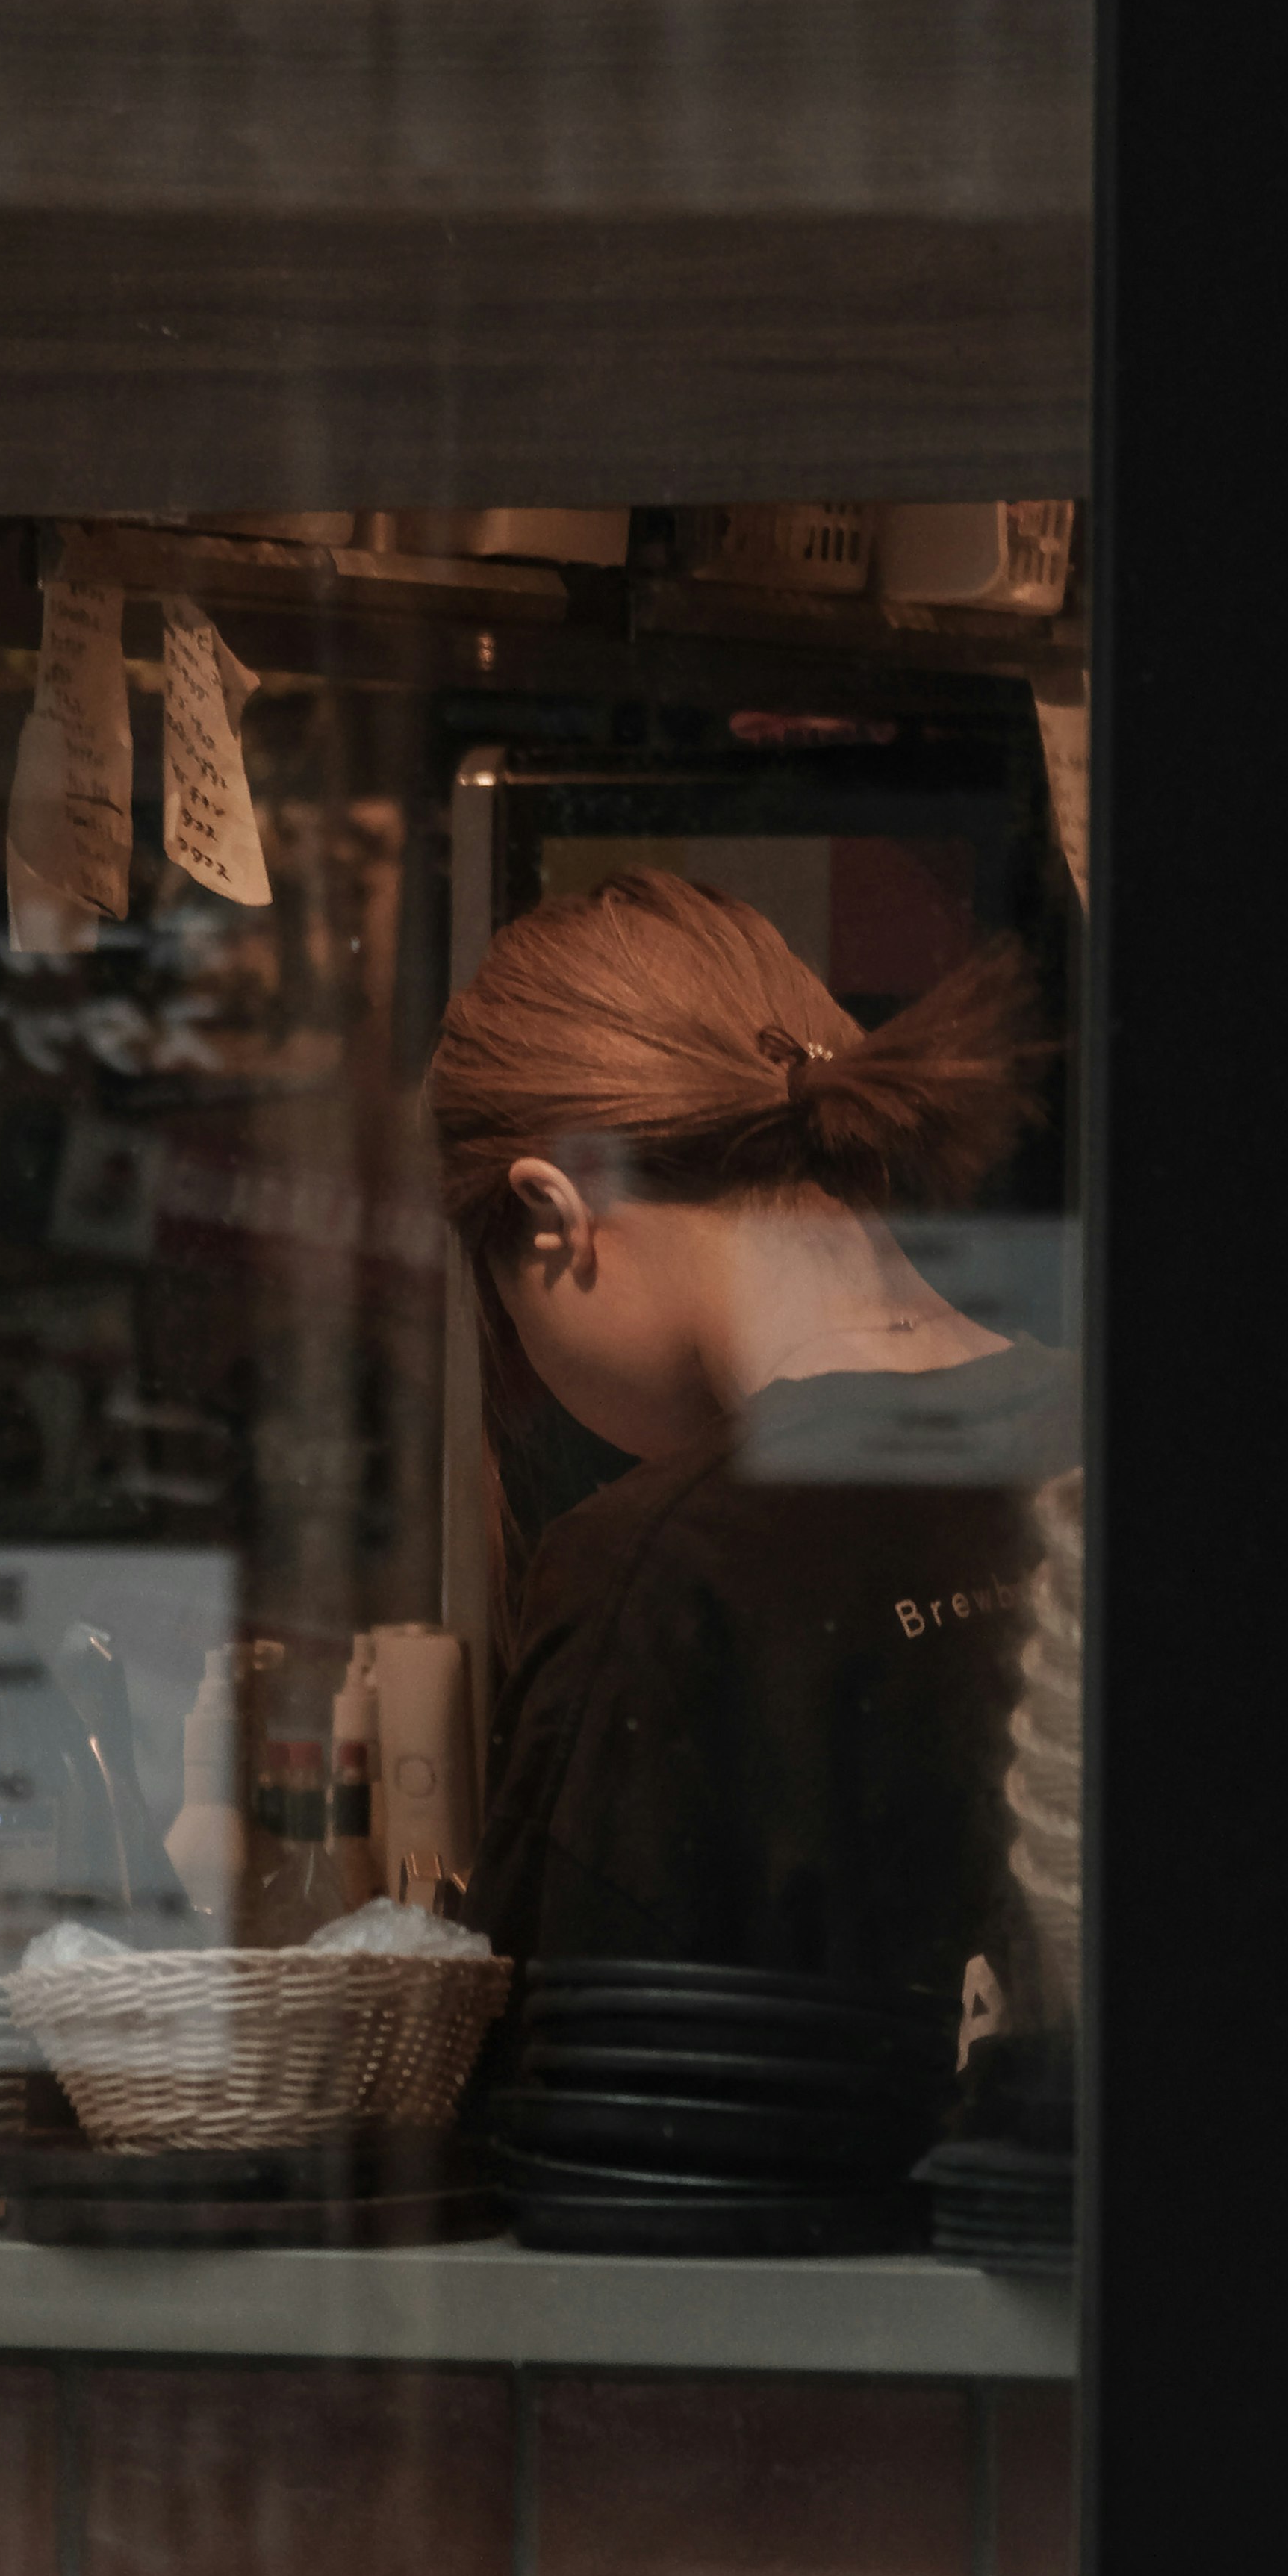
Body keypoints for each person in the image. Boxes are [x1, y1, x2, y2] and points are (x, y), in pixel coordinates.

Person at [427, 866, 1077, 2035]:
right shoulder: (1109, 1430)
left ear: (550, 1217)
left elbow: (567, 2121)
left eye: (505, 1320)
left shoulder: (663, 1571)